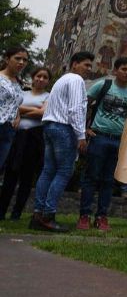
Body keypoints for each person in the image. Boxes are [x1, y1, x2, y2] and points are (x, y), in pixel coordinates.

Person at [29, 51, 93, 233]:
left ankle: (37, 214)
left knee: (48, 171)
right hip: (63, 128)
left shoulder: (62, 80)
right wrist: (81, 136)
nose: (89, 69)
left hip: (50, 126)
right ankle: (48, 215)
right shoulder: (75, 80)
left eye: (90, 65)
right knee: (64, 171)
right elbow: (75, 110)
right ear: (75, 64)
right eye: (86, 65)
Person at [77, 56, 127, 232]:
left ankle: (101, 216)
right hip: (100, 136)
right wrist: (84, 128)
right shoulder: (103, 85)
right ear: (115, 70)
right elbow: (84, 105)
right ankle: (84, 215)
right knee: (91, 177)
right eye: (124, 69)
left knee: (108, 180)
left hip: (118, 140)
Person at [0, 67, 50, 220]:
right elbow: (13, 107)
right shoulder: (22, 93)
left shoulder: (49, 96)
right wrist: (31, 110)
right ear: (33, 77)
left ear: (48, 81)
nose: (41, 79)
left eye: (45, 77)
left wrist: (20, 111)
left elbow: (43, 113)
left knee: (27, 177)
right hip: (17, 136)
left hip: (34, 137)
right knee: (10, 174)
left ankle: (17, 212)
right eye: (38, 76)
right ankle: (1, 211)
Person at [0, 47, 28, 170]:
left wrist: (18, 115)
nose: (21, 62)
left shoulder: (19, 83)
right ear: (7, 59)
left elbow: (14, 103)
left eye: (25, 60)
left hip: (9, 129)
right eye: (17, 58)